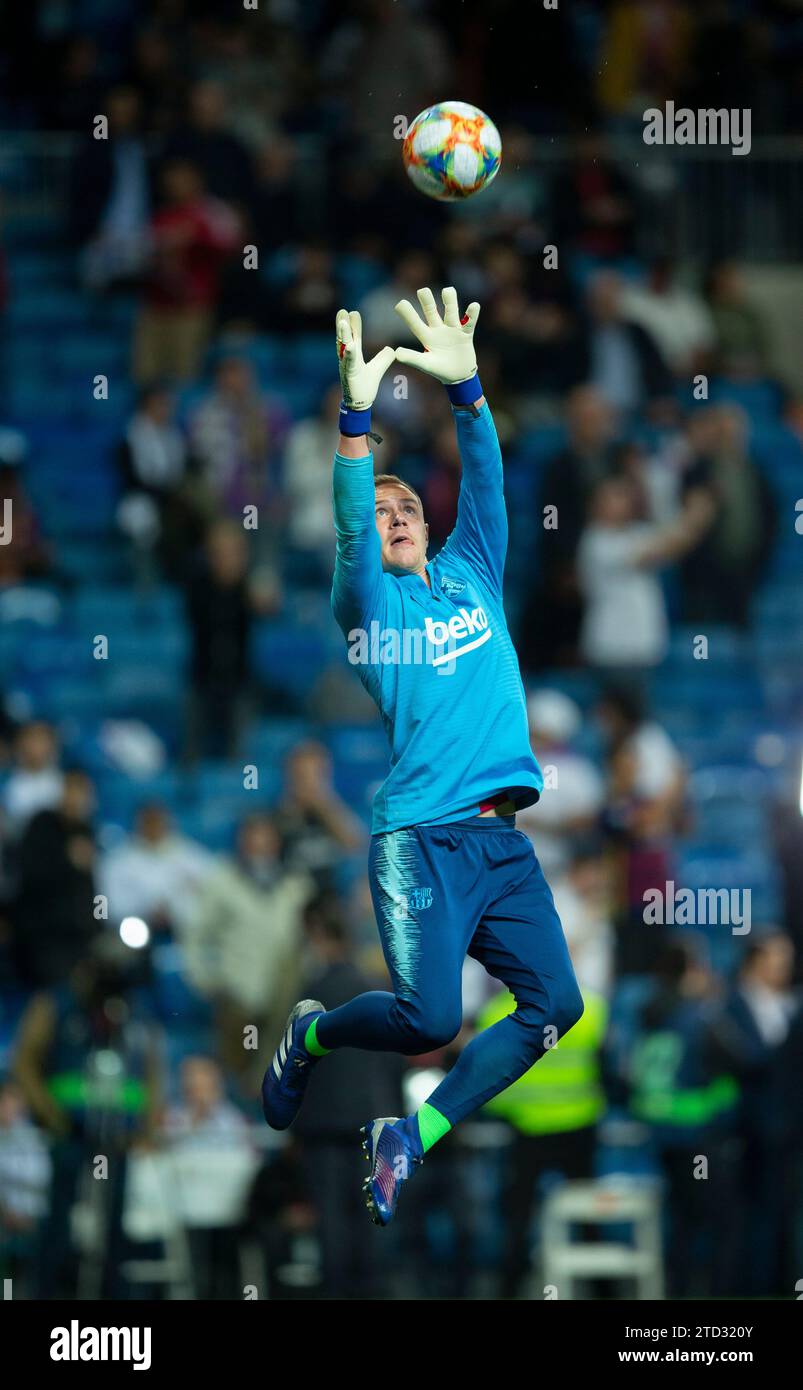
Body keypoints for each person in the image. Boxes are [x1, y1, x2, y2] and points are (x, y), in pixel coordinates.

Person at [262, 286, 584, 1228]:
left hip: (501, 846)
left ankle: (410, 1135)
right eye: (383, 508)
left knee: (553, 1007)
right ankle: (313, 1035)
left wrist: (469, 391)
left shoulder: (474, 574)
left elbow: (485, 484)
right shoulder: (369, 606)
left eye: (409, 505)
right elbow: (354, 526)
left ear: (433, 529)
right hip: (421, 841)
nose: (394, 515)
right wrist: (355, 420)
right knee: (430, 1022)